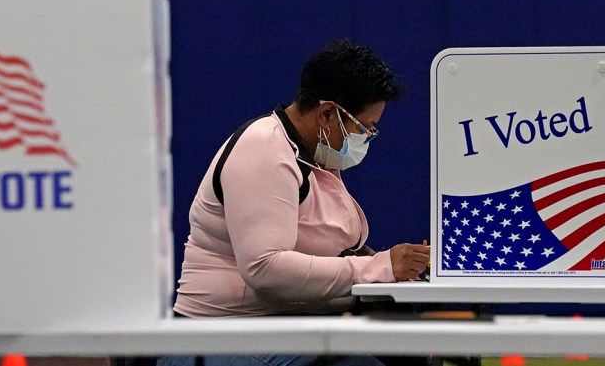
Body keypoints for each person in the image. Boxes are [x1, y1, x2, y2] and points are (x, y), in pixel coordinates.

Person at [160, 40, 431, 366]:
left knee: (407, 349)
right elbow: (265, 269)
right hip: (219, 338)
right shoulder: (265, 150)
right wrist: (380, 267)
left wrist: (406, 265)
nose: (367, 138)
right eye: (365, 128)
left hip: (279, 328)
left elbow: (337, 250)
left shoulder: (314, 157)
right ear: (328, 113)